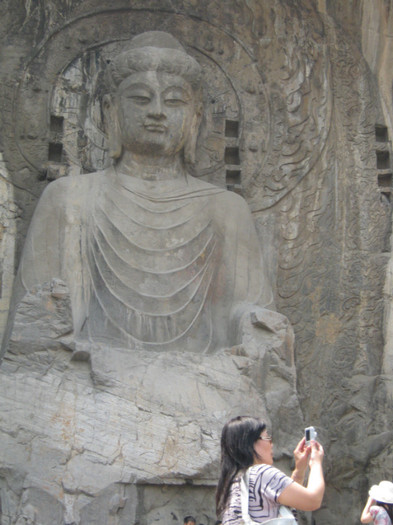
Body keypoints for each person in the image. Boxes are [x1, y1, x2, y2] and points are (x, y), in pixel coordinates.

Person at [2, 30, 274, 357]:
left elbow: (248, 314)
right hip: (90, 381)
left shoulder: (227, 209)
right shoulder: (69, 199)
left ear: (196, 116)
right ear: (109, 109)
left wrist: (260, 330)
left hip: (201, 383)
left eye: (174, 100)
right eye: (141, 99)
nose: (157, 111)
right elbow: (35, 326)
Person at [216, 416, 325, 524]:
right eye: (267, 437)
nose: (271, 444)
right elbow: (313, 500)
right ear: (249, 443)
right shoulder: (261, 473)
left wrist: (300, 469)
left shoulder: (234, 481)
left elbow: (286, 500)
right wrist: (315, 463)